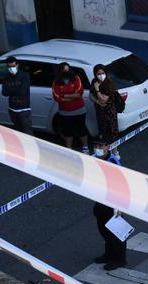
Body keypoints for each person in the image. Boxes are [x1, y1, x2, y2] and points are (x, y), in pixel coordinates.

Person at [91, 142, 127, 271]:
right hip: (100, 201)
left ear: (108, 147)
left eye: (102, 146)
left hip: (113, 203)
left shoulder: (112, 162)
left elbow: (121, 185)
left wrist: (119, 207)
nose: (98, 148)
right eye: (97, 145)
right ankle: (109, 254)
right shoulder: (94, 159)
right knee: (104, 231)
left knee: (116, 233)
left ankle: (119, 260)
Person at [51, 63, 88, 149]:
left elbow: (79, 94)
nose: (66, 72)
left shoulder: (76, 79)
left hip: (79, 111)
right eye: (64, 70)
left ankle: (85, 148)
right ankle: (69, 148)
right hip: (65, 112)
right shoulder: (56, 82)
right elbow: (57, 97)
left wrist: (64, 95)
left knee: (82, 130)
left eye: (67, 70)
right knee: (68, 132)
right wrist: (72, 96)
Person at [0, 56, 33, 134]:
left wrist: (10, 89)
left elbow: (23, 92)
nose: (11, 68)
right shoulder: (6, 77)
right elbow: (4, 93)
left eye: (13, 66)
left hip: (24, 109)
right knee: (17, 132)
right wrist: (17, 89)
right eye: (9, 66)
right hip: (12, 109)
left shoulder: (24, 75)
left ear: (17, 65)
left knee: (27, 132)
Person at [91, 64, 120, 144]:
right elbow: (91, 96)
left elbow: (103, 100)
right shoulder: (94, 81)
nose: (101, 76)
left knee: (111, 133)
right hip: (100, 111)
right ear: (95, 74)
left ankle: (115, 152)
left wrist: (97, 90)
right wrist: (97, 102)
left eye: (102, 73)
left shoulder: (109, 84)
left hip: (109, 112)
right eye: (98, 74)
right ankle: (104, 151)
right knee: (102, 132)